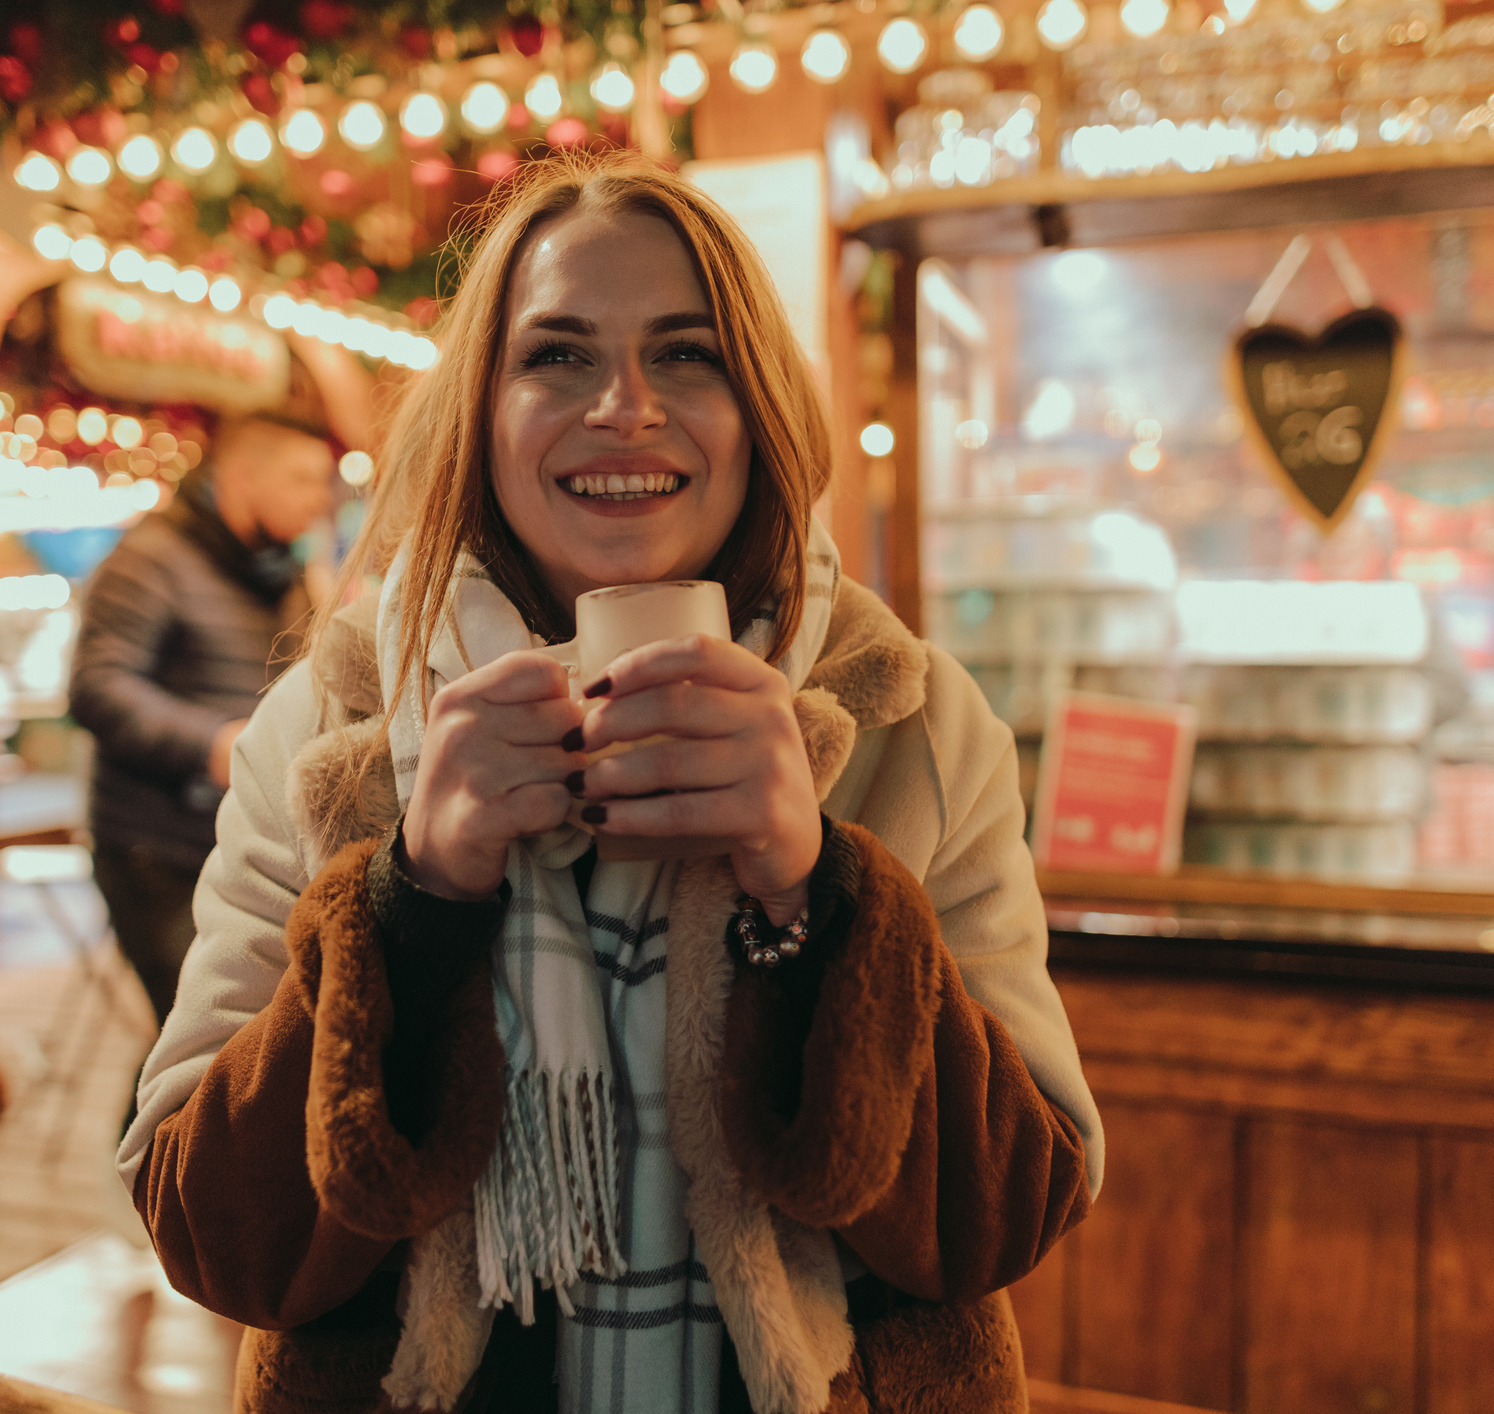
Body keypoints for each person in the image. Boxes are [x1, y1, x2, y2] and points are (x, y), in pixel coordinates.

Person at [117, 154, 1102, 1414]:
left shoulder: (910, 717)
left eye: (687, 354)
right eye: (558, 356)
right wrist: (413, 903)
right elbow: (210, 1234)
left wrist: (819, 899)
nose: (625, 406)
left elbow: (1013, 1211)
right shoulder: (333, 723)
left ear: (758, 408)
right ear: (483, 407)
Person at [69, 412, 336, 1027]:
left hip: (241, 841)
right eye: (301, 480)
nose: (321, 501)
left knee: (224, 1051)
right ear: (240, 477)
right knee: (207, 1045)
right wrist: (213, 744)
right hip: (156, 850)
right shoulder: (151, 558)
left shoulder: (282, 572)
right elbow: (97, 688)